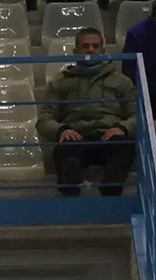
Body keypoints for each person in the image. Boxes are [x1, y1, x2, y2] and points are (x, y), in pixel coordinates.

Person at [38, 28, 138, 197]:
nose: (91, 50)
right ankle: (70, 187)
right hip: (76, 137)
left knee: (124, 148)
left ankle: (111, 188)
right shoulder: (60, 82)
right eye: (85, 46)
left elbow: (137, 115)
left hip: (110, 136)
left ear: (103, 51)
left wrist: (123, 128)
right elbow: (44, 119)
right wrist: (62, 130)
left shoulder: (122, 82)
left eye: (95, 46)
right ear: (76, 51)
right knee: (65, 152)